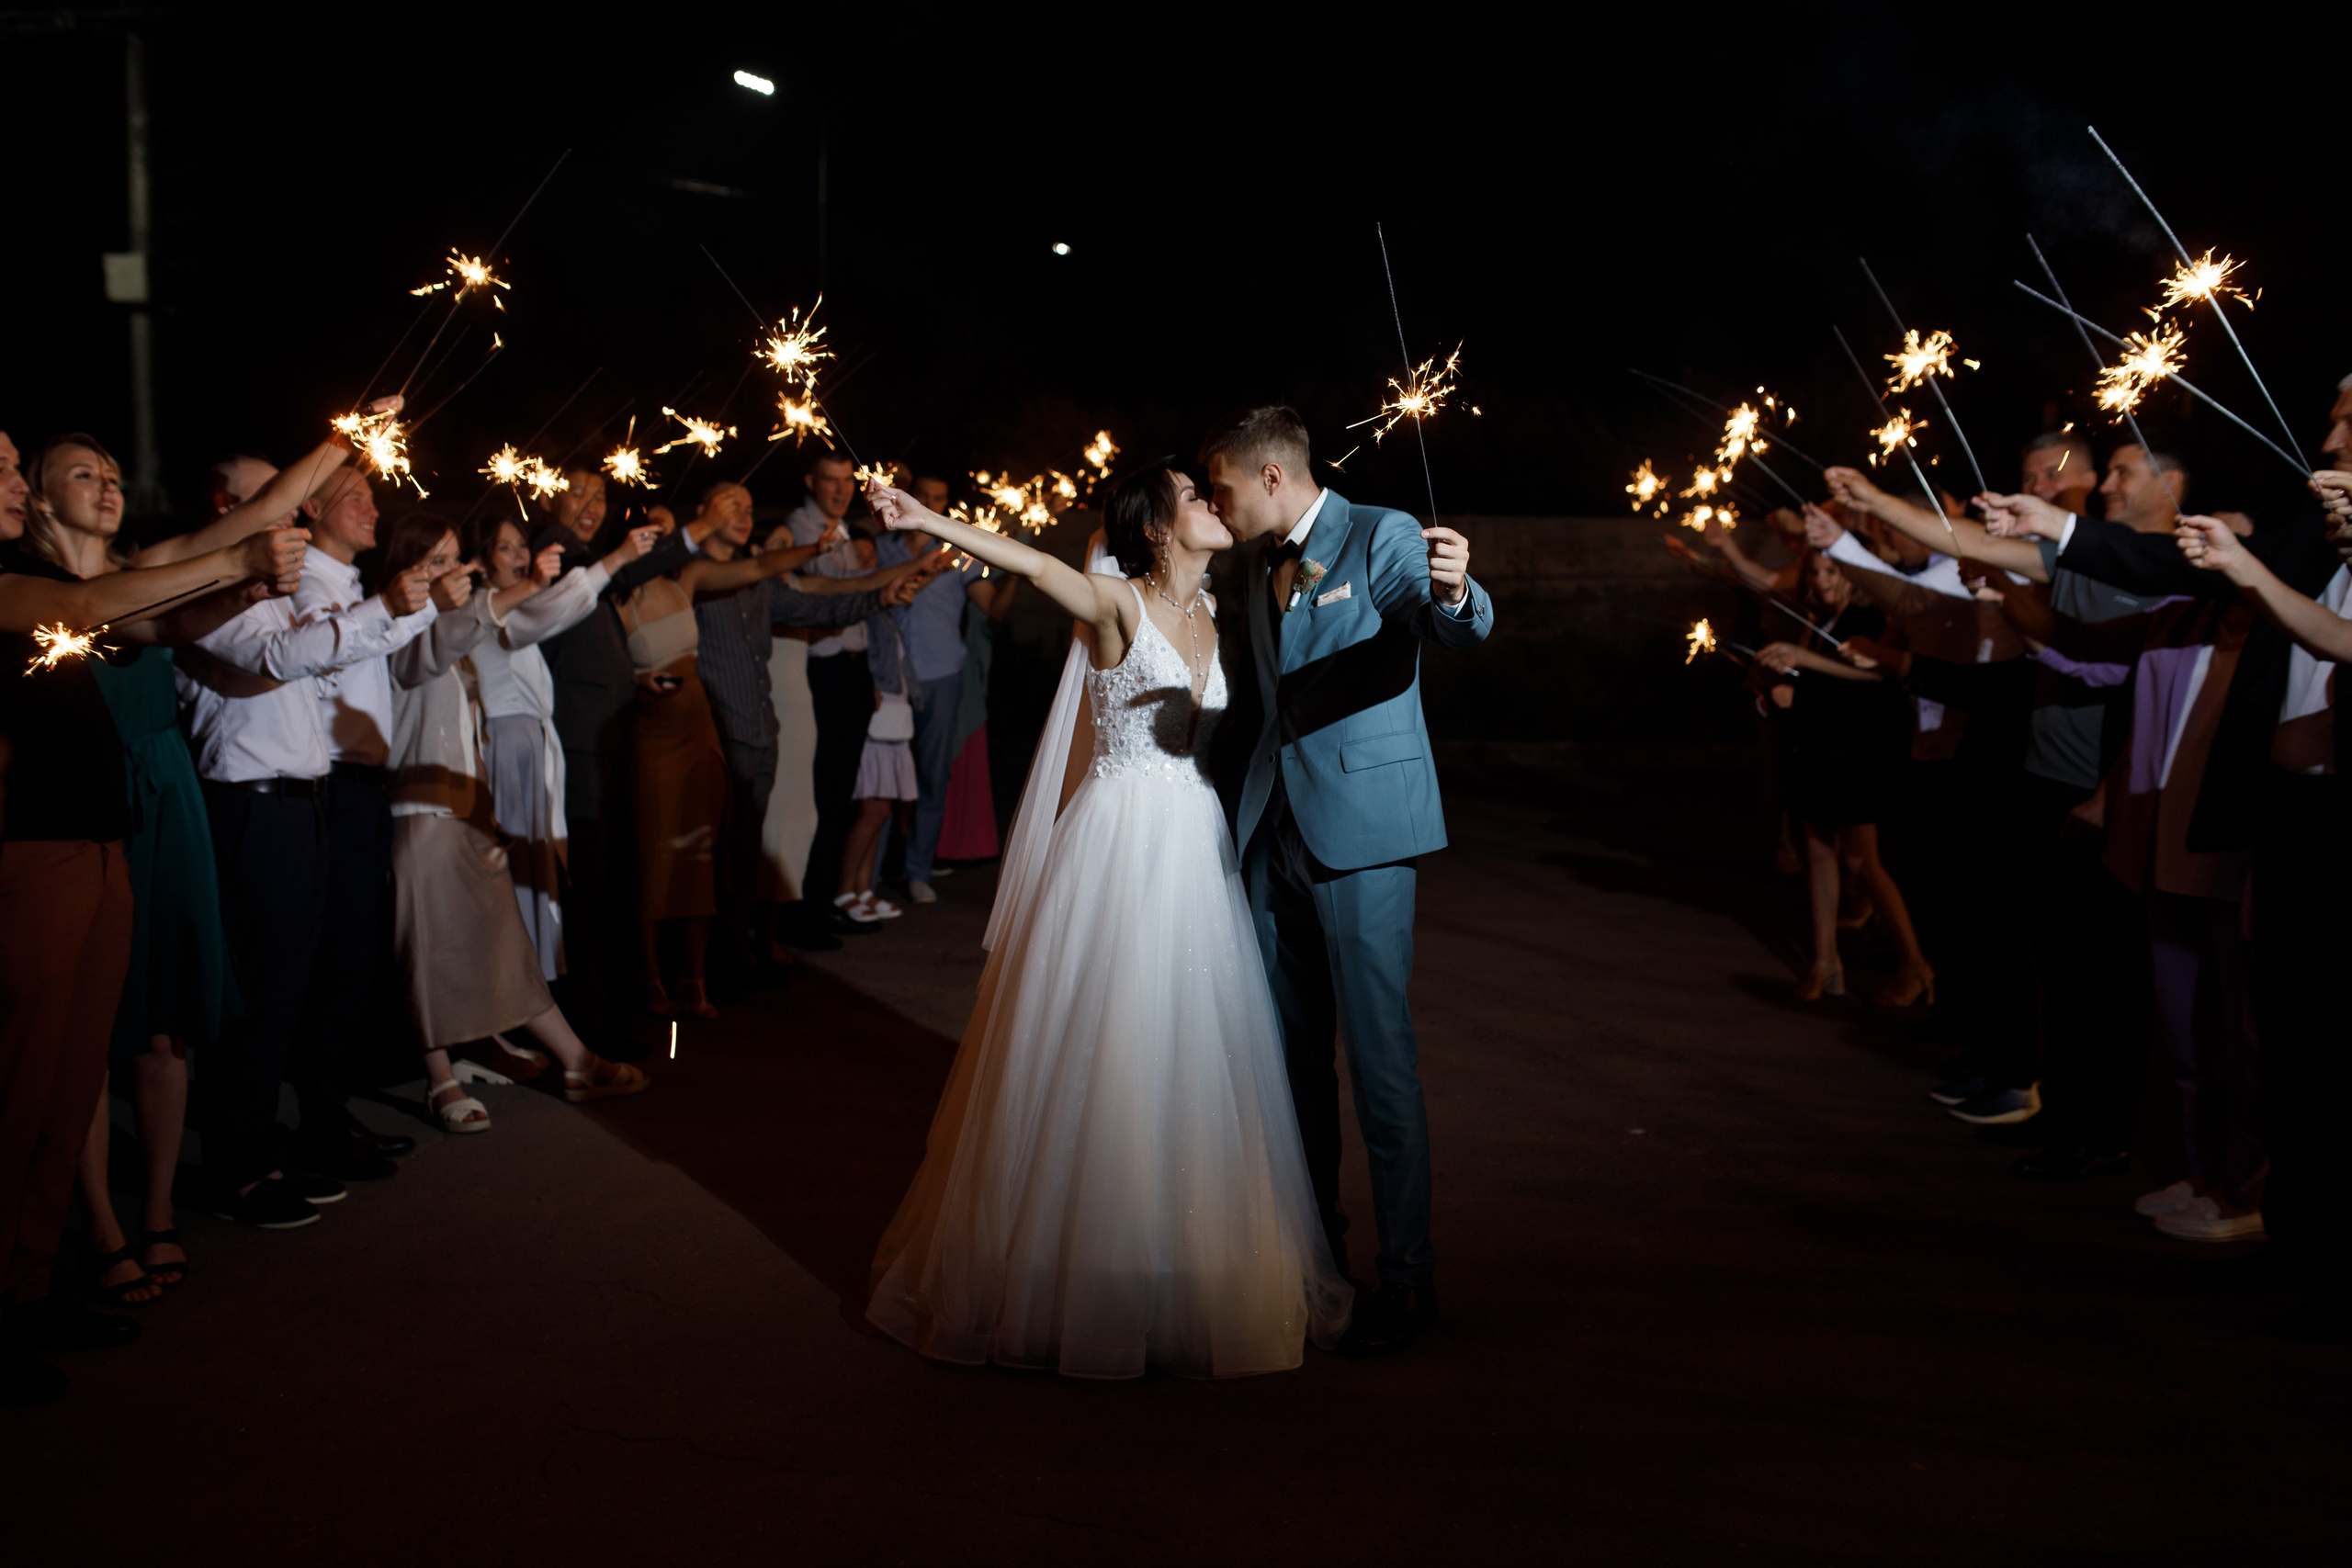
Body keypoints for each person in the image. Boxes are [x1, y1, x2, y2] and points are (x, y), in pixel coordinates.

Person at [864, 467, 1351, 1377]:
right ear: (1156, 525)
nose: (1212, 500)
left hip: (1193, 846)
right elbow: (1028, 563)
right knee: (1110, 1042)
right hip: (1120, 844)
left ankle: (1180, 1266)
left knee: (1190, 1050)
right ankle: (1081, 1273)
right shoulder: (1112, 600)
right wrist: (931, 519)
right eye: (1192, 493)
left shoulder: (1218, 610)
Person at [0, 426, 308, 1402]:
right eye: (1, 465)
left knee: (68, 1077)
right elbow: (92, 602)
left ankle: (29, 1285)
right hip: (29, 856)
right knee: (18, 1085)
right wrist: (238, 557)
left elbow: (159, 629)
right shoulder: (14, 585)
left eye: (14, 462)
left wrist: (242, 590)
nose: (12, 479)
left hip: (102, 844)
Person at [1200, 404, 1493, 1356]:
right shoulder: (1252, 564)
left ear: (1273, 478)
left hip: (1362, 837)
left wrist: (1457, 594)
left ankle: (1409, 1279)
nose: (1216, 501)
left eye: (1224, 487)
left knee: (1378, 1067)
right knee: (1289, 1069)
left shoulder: (1383, 533)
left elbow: (1435, 619)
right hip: (1270, 836)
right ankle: (1314, 1255)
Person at [177, 448, 451, 1227]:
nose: (291, 505)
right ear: (225, 501)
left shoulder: (273, 585)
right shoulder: (213, 580)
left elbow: (330, 656)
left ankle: (269, 1144)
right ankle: (240, 1165)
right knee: (257, 998)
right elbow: (280, 657)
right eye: (273, 491)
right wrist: (384, 609)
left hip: (301, 802)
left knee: (290, 989)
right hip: (253, 804)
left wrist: (402, 607)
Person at [377, 513, 650, 1132]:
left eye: (456, 559)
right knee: (426, 949)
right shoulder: (399, 629)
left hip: (469, 807)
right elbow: (440, 644)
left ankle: (573, 1058)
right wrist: (524, 588)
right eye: (439, 561)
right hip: (417, 810)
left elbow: (502, 625)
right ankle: (440, 1077)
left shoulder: (460, 623)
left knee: (505, 943)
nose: (456, 573)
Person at [532, 469, 719, 1027]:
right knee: (586, 869)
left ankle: (602, 997)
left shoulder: (586, 553)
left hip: (604, 729)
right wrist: (697, 529)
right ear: (549, 497)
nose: (591, 506)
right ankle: (587, 1011)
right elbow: (618, 573)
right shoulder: (553, 548)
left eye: (601, 497)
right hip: (580, 731)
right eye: (578, 495)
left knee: (600, 865)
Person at [466, 510, 663, 983]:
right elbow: (546, 613)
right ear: (481, 560)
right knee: (522, 878)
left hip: (531, 745)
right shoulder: (485, 608)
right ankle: (519, 987)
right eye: (505, 548)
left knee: (544, 874)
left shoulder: (511, 607)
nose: (519, 556)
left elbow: (554, 609)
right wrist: (617, 558)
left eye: (521, 545)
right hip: (510, 751)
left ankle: (538, 985)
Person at [1752, 547, 1931, 1005]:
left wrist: (1803, 695)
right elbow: (1817, 684)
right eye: (1816, 572)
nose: (1823, 580)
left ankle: (1916, 965)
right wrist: (1777, 697)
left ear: (1853, 573)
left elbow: (1870, 688)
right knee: (1820, 854)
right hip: (1818, 751)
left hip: (1854, 755)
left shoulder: (1868, 619)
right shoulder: (1823, 618)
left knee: (1863, 862)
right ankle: (1826, 963)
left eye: (1832, 571)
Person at [873, 478, 989, 903]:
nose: (934, 506)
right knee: (883, 779)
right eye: (928, 497)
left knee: (932, 776)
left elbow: (993, 606)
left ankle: (917, 870)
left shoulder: (959, 554)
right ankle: (870, 876)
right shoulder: (881, 545)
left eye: (942, 499)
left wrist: (1017, 570)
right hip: (890, 678)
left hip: (942, 676)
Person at [788, 453, 881, 933]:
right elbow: (833, 592)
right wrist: (886, 582)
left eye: (848, 481)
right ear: (811, 481)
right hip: (823, 673)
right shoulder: (803, 531)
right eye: (831, 480)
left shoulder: (845, 530)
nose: (842, 489)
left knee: (842, 794)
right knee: (824, 794)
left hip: (852, 671)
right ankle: (809, 907)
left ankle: (830, 898)